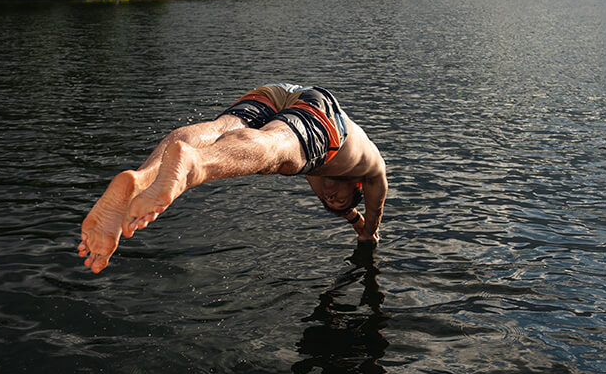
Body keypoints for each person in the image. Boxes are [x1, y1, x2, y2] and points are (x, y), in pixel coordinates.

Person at [79, 83, 387, 273]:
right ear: (357, 185)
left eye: (329, 203)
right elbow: (373, 215)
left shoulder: (328, 180)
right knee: (277, 152)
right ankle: (194, 164)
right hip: (323, 110)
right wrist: (367, 234)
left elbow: (350, 213)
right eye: (339, 198)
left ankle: (142, 178)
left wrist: (349, 218)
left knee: (220, 129)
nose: (331, 198)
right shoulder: (370, 172)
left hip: (279, 90)